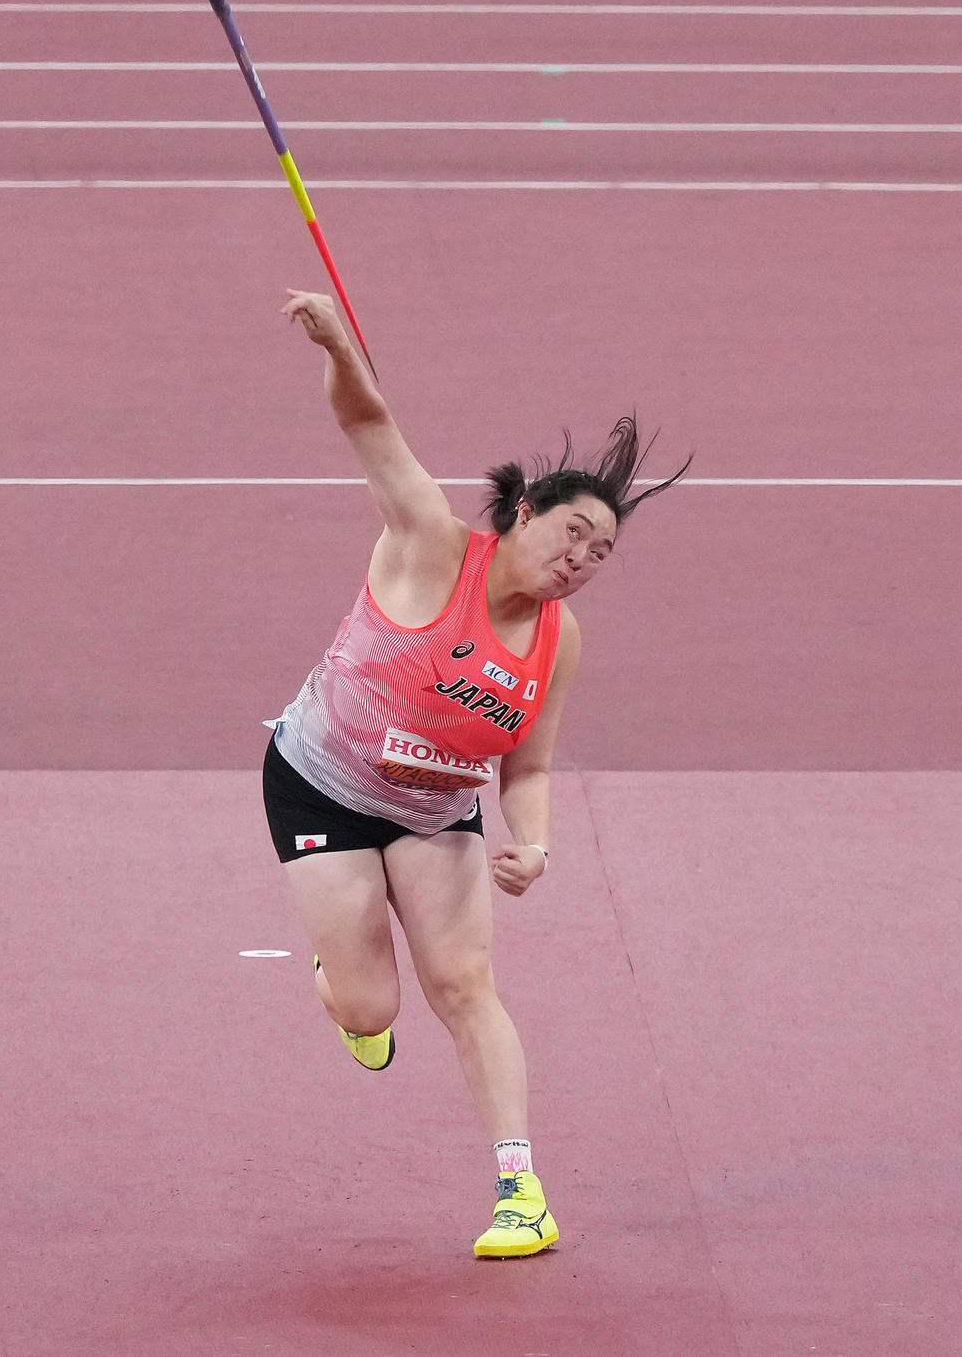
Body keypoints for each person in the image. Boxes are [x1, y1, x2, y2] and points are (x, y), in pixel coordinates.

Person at [264, 289, 687, 1258]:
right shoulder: (430, 542)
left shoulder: (557, 637)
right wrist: (336, 344)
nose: (581, 558)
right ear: (526, 512)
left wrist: (533, 842)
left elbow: (526, 762)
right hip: (319, 779)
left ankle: (520, 1191)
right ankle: (343, 979)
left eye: (602, 552)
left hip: (432, 808)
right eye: (572, 532)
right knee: (372, 1007)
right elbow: (368, 420)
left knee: (465, 982)